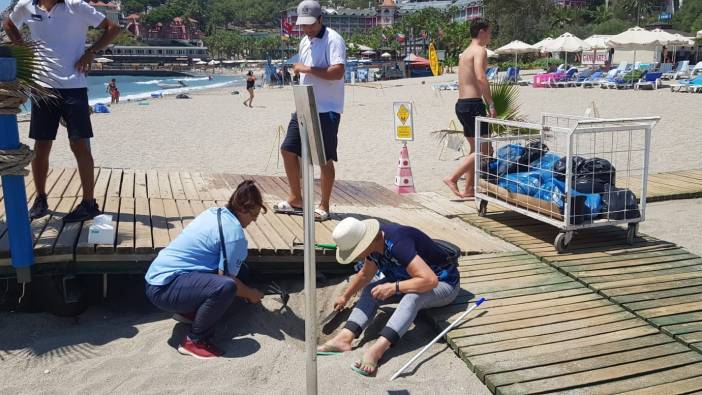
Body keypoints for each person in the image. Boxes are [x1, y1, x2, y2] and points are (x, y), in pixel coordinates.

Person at [4, 0, 120, 222]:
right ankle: (41, 199)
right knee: (42, 145)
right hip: (42, 86)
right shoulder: (25, 5)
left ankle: (89, 203)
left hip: (74, 86)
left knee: (79, 143)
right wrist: (24, 50)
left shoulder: (76, 6)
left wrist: (91, 52)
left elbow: (113, 28)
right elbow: (9, 24)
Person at [318, 217, 461, 377]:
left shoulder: (397, 244)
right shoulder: (374, 245)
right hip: (407, 277)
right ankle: (345, 338)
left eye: (355, 251)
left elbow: (430, 280)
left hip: (444, 282)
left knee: (412, 298)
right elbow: (365, 274)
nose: (355, 255)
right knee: (371, 290)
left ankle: (377, 350)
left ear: (365, 243)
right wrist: (345, 296)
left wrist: (394, 287)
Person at [144, 180, 267, 360]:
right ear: (242, 209)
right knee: (226, 287)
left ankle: (190, 313)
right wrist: (251, 294)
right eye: (254, 215)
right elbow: (228, 279)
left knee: (242, 272)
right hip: (165, 289)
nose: (254, 220)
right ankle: (195, 340)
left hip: (156, 278)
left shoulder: (214, 212)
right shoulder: (234, 234)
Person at [273, 0, 345, 222]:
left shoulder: (334, 39)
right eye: (303, 25)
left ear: (320, 19)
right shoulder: (304, 41)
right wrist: (302, 72)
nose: (306, 29)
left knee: (323, 158)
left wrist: (306, 69)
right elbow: (307, 70)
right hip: (304, 104)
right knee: (287, 149)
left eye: (310, 24)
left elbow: (337, 72)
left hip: (327, 108)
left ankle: (324, 205)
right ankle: (296, 197)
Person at [443, 18, 495, 199]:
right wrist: (491, 103)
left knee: (475, 149)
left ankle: (468, 189)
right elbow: (481, 77)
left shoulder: (465, 52)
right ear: (481, 32)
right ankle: (453, 177)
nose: (490, 36)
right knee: (486, 150)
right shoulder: (479, 50)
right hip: (473, 104)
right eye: (489, 32)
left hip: (462, 104)